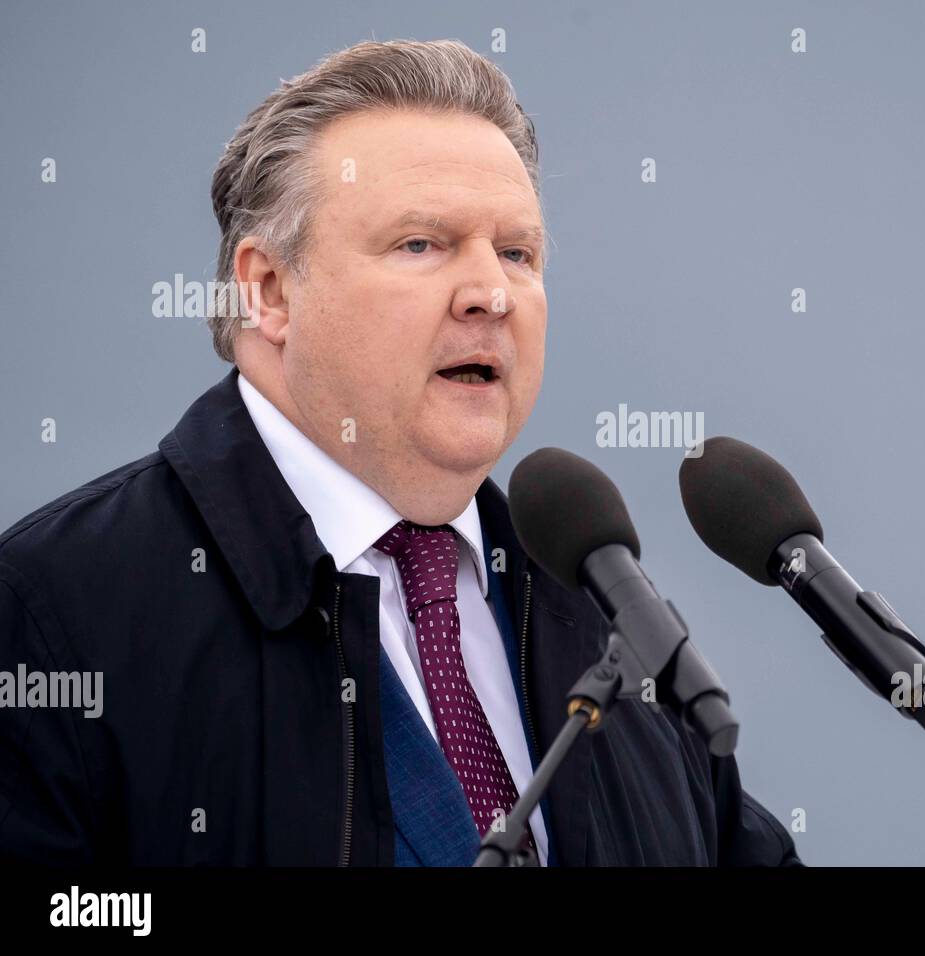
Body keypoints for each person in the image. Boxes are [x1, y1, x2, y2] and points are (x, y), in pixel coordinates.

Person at [0, 38, 799, 867]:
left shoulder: (609, 621)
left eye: (517, 253)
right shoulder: (49, 615)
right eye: (422, 244)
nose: (491, 292)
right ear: (269, 291)